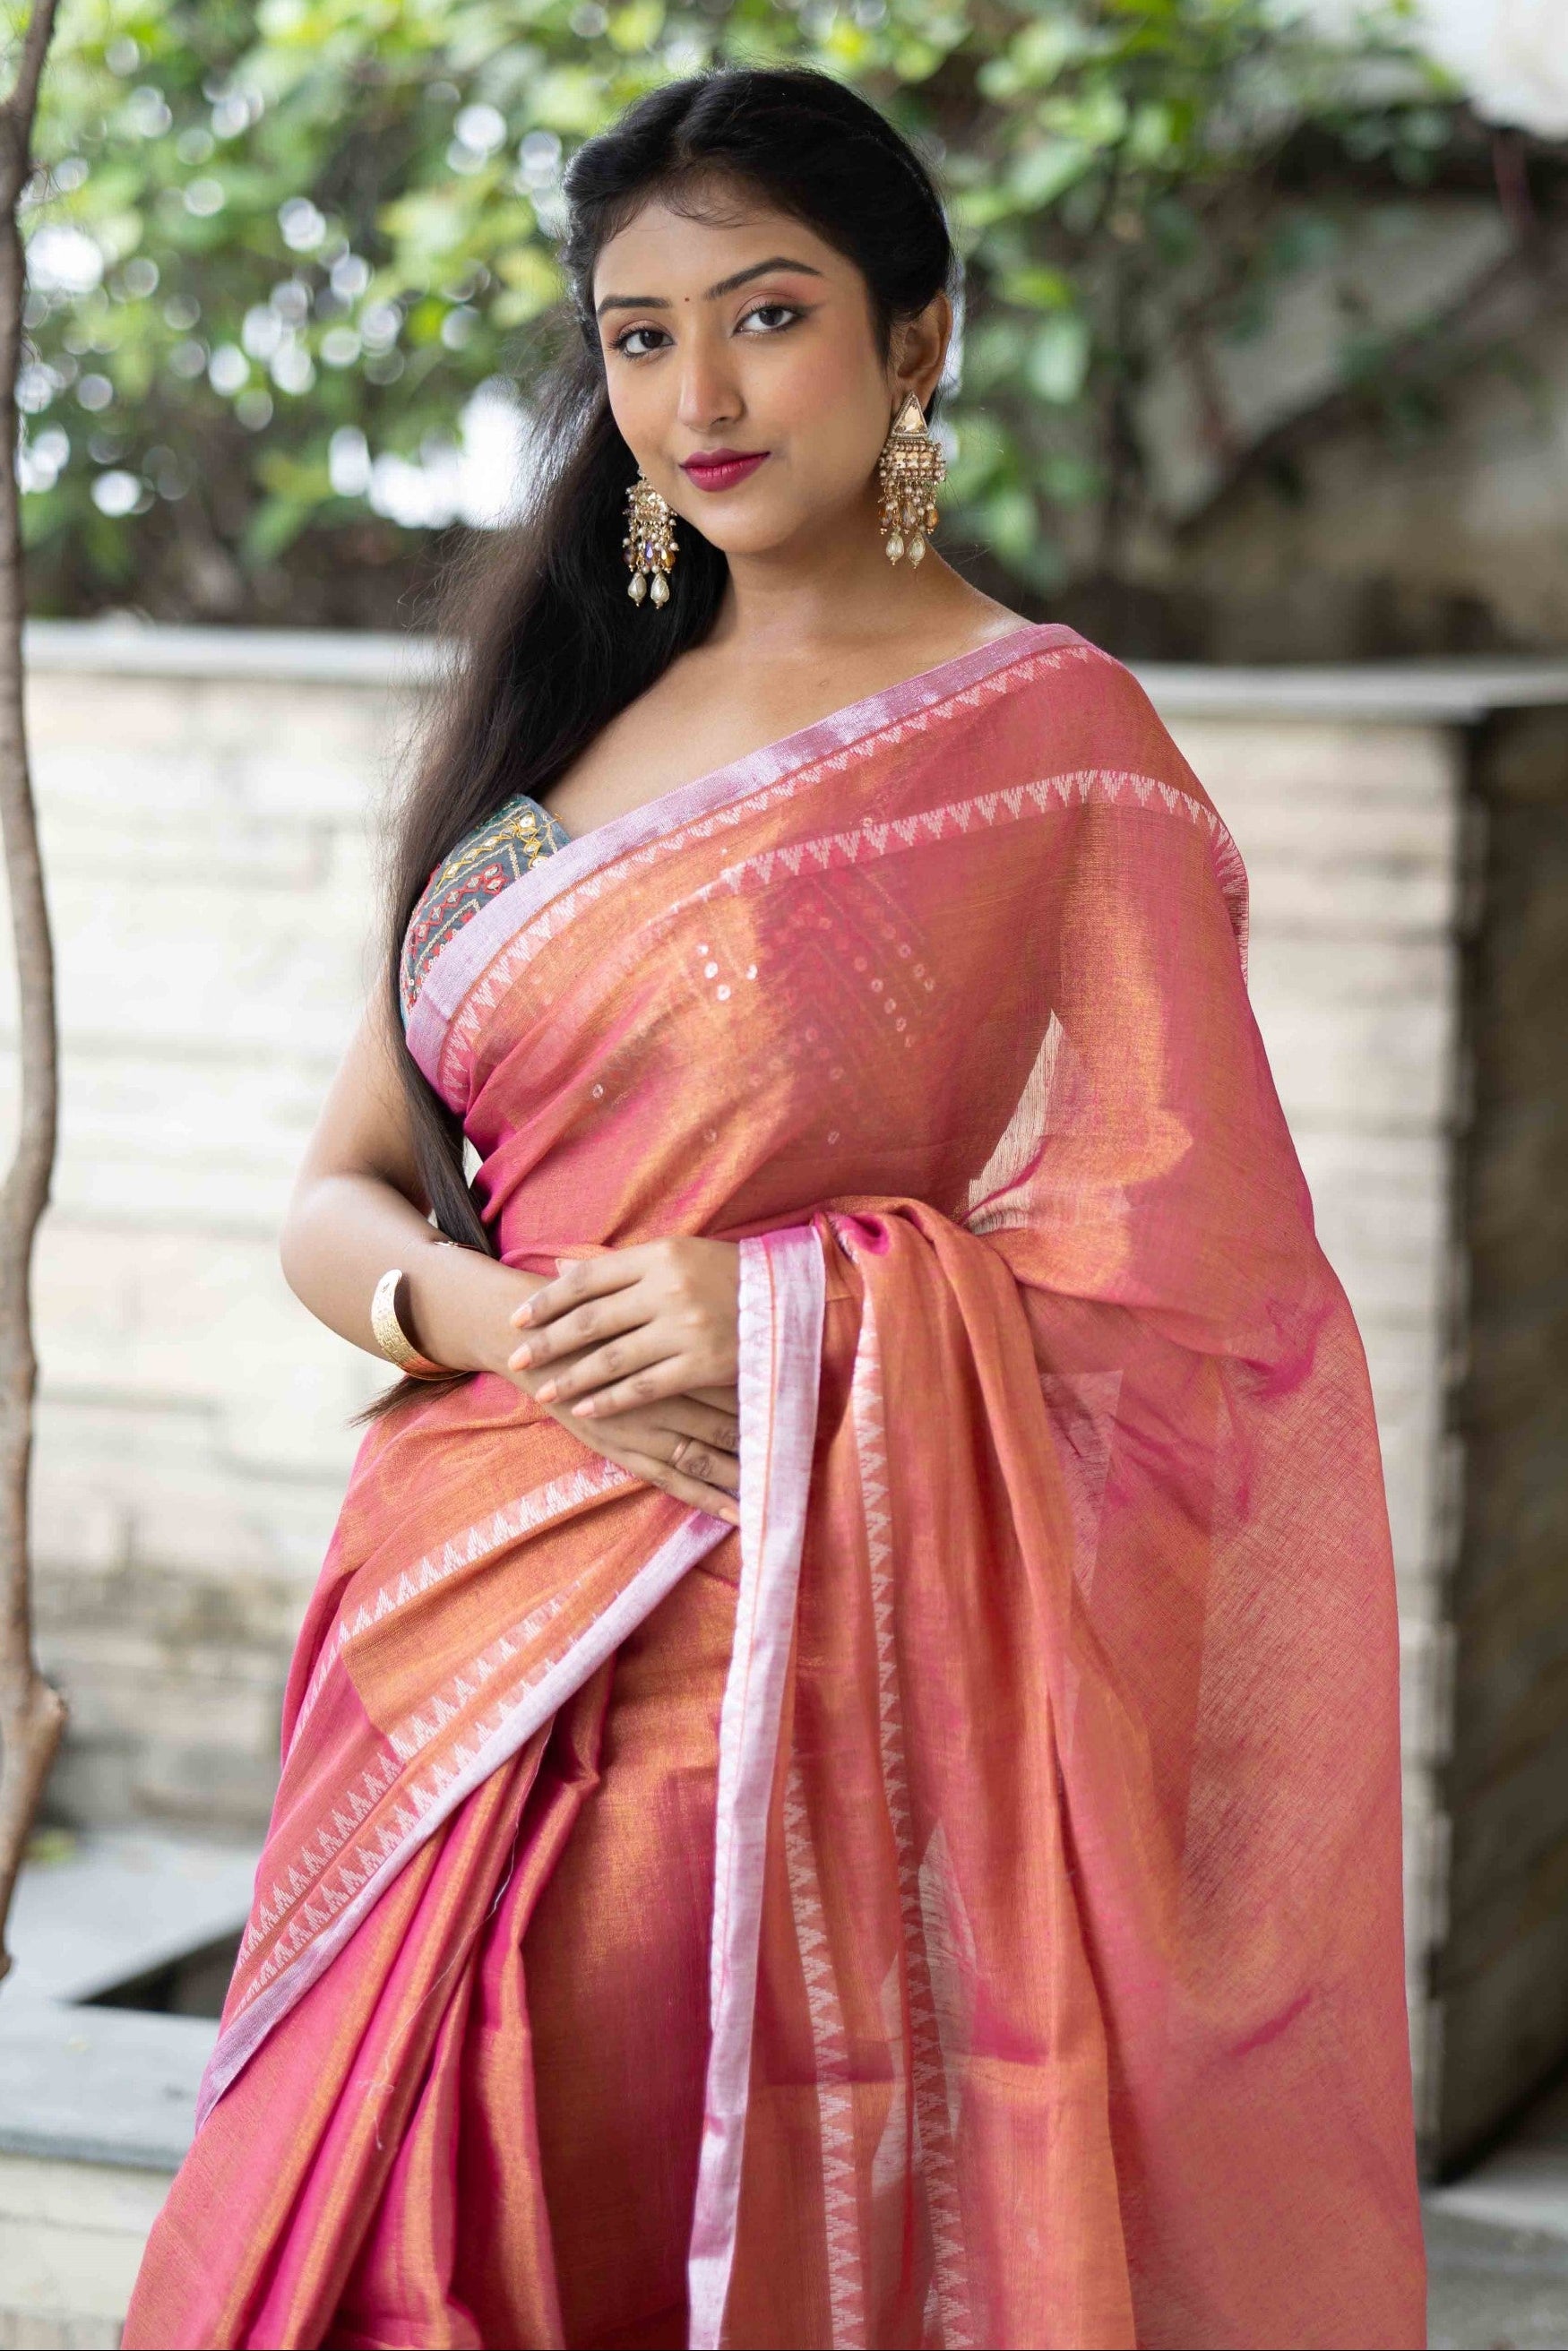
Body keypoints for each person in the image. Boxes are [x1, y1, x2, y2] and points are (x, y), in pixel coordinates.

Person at [125, 65, 1425, 2351]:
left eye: (763, 316)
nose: (694, 395)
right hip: (441, 1629)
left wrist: (803, 1309)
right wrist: (488, 1317)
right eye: (635, 337)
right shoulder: (560, 710)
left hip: (764, 1663)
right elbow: (344, 1188)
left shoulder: (1051, 742)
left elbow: (1206, 1303)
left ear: (913, 340)